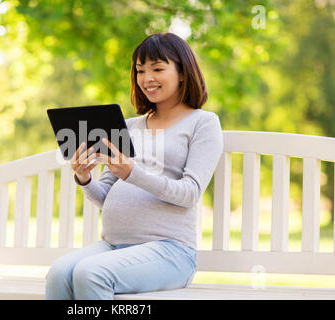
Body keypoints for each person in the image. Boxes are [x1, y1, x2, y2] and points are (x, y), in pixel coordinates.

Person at [45, 32, 223, 300]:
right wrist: (85, 179)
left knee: (91, 273)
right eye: (140, 71)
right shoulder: (128, 126)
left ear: (183, 73)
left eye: (158, 69)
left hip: (170, 251)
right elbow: (104, 197)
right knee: (59, 272)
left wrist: (132, 173)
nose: (146, 79)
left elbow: (190, 194)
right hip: (114, 247)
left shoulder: (203, 123)